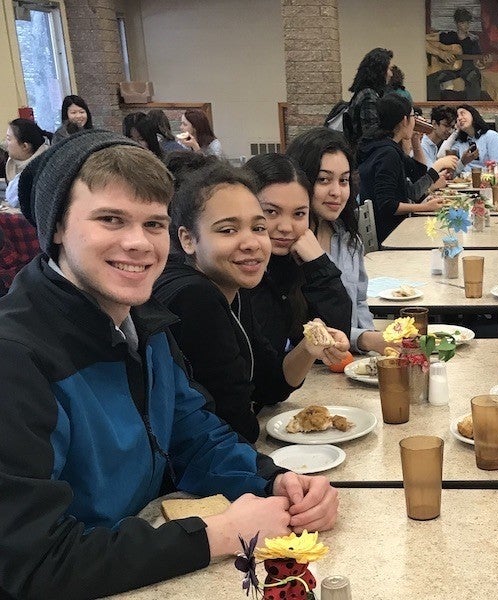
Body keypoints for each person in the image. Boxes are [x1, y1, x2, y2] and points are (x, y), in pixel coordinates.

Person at [0, 130, 338, 598]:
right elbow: (32, 563)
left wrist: (275, 481)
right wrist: (218, 533)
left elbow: (193, 437)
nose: (139, 243)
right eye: (111, 219)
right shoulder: (16, 359)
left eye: (153, 223)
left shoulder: (143, 322)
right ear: (55, 226)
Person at [153, 161, 350, 441]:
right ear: (187, 239)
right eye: (228, 230)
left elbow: (271, 387)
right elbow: (235, 427)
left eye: (258, 228)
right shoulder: (194, 296)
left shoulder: (233, 284)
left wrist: (308, 347)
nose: (251, 243)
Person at [288, 127, 392, 355]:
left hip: (351, 363)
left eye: (343, 181)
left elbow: (360, 303)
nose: (337, 191)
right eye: (324, 180)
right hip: (308, 374)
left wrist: (373, 348)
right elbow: (301, 330)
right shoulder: (286, 247)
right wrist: (364, 339)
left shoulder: (348, 238)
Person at [241, 152, 352, 354]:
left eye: (299, 214)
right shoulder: (239, 272)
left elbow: (333, 342)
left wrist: (319, 265)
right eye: (271, 212)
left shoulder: (292, 264)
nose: (286, 227)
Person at [357, 94, 455, 243]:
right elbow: (387, 205)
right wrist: (425, 207)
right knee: (441, 237)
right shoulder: (387, 153)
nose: (415, 120)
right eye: (413, 116)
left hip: (393, 227)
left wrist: (415, 140)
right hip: (390, 233)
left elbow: (418, 173)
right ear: (404, 120)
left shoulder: (386, 145)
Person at [426, 7, 484, 101]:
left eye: (468, 22)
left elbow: (478, 60)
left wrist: (481, 63)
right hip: (451, 69)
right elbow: (424, 39)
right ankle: (435, 107)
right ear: (457, 23)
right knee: (432, 79)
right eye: (462, 22)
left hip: (468, 69)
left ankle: (473, 107)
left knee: (473, 76)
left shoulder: (473, 40)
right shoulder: (450, 36)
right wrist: (441, 54)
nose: (466, 25)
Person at [346, 47, 393, 151]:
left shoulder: (362, 93)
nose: (391, 74)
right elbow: (371, 133)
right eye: (389, 69)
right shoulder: (369, 96)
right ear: (380, 71)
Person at [443, 104, 498, 172]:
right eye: (457, 117)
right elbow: (442, 155)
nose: (459, 118)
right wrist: (455, 131)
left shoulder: (491, 136)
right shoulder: (461, 142)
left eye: (462, 114)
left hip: (486, 179)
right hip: (464, 180)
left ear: (473, 115)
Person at [4, 118, 51, 208]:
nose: (5, 143)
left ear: (25, 146)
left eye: (8, 139)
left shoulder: (44, 169)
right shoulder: (13, 163)